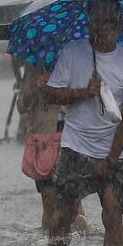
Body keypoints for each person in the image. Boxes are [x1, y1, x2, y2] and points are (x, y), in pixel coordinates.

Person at [44, 0, 123, 246]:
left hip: (114, 153)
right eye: (98, 21)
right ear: (89, 23)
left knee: (112, 210)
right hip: (75, 147)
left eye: (110, 21)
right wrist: (83, 92)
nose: (104, 27)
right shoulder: (71, 53)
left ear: (120, 24)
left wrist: (110, 160)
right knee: (63, 216)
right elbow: (50, 94)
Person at [17, 62, 87, 232]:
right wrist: (35, 88)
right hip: (44, 142)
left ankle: (83, 241)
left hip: (72, 138)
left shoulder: (75, 62)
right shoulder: (33, 68)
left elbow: (86, 97)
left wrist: (60, 89)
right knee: (48, 201)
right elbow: (22, 106)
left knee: (74, 202)